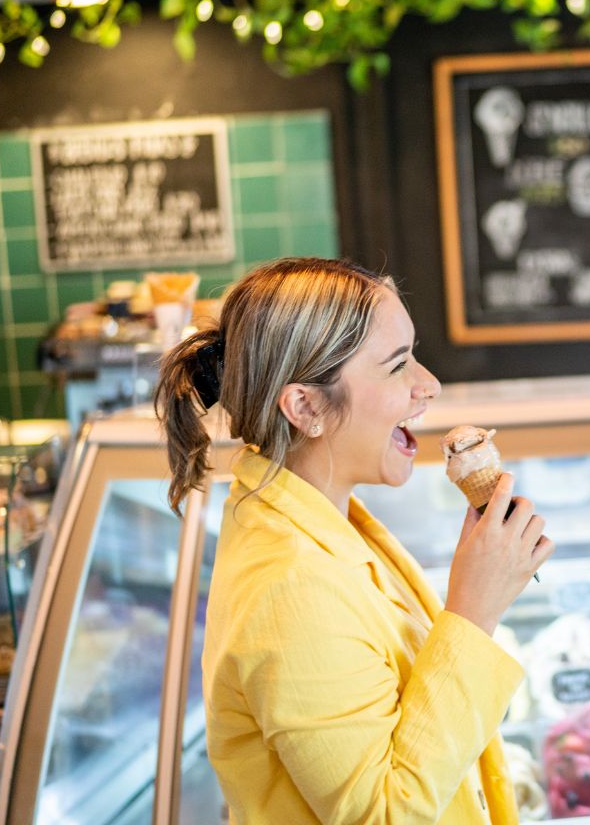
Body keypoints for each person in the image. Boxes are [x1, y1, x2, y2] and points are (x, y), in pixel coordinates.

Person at [157, 257, 552, 824]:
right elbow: (384, 816)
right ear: (307, 407)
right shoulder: (291, 589)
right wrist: (474, 610)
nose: (429, 384)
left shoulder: (316, 521)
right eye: (397, 366)